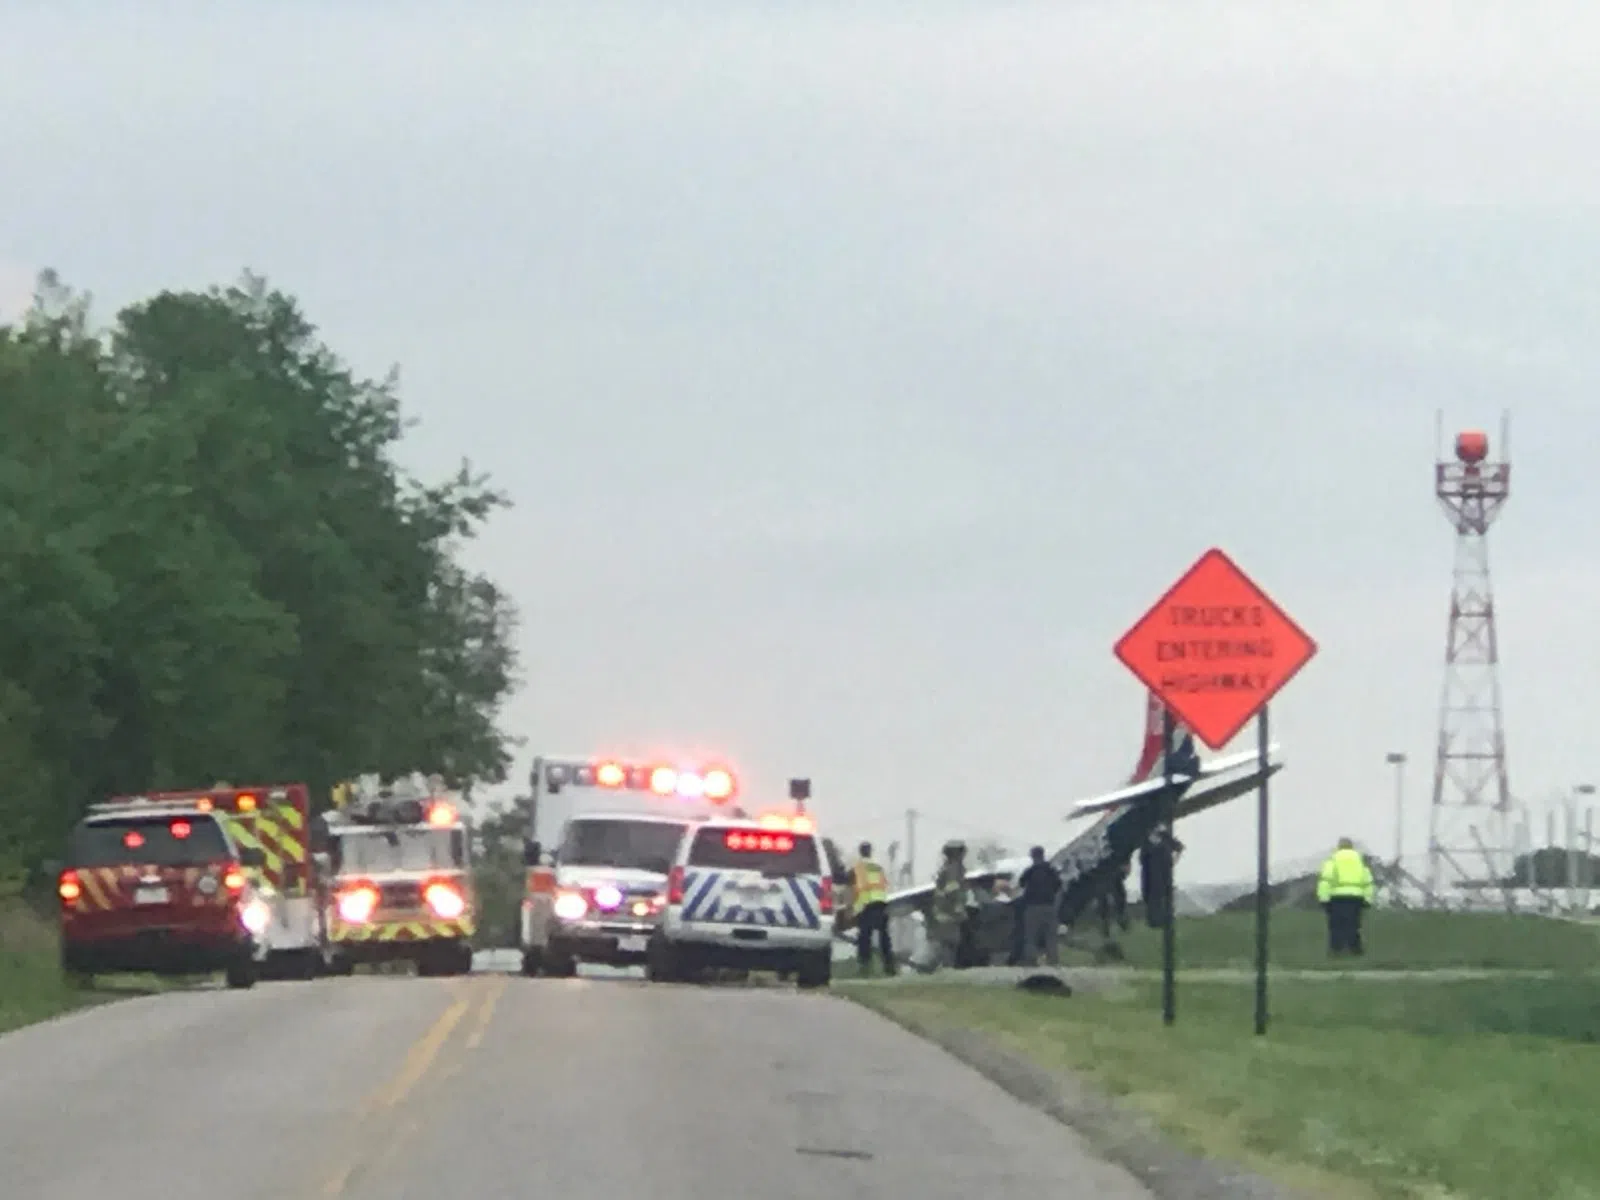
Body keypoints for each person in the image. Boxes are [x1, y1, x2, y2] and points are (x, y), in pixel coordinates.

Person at [1317, 837, 1375, 955]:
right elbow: (1368, 882)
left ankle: (1336, 949)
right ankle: (1355, 949)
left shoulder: (1333, 859)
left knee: (1336, 925)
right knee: (1354, 924)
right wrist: (1368, 899)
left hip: (1337, 897)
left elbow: (1326, 880)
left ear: (1339, 846)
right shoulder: (1359, 861)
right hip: (1356, 897)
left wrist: (1323, 898)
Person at [850, 841, 895, 974]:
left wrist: (854, 909)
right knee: (884, 937)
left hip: (867, 904)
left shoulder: (859, 867)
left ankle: (864, 967)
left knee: (864, 937)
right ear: (870, 851)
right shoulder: (877, 866)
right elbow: (884, 884)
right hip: (881, 903)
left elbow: (857, 888)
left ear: (860, 852)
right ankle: (889, 966)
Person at [1016, 845, 1063, 966]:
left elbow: (1021, 884)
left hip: (1033, 907)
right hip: (1049, 906)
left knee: (1031, 935)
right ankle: (1053, 961)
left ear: (1033, 856)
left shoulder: (1030, 871)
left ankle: (1031, 961)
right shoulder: (1051, 870)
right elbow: (1058, 886)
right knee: (1050, 936)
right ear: (1043, 855)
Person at [925, 841, 968, 970]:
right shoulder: (953, 870)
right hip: (948, 915)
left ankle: (940, 967)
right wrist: (959, 910)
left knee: (946, 944)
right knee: (949, 944)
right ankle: (944, 968)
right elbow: (953, 891)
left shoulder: (946, 869)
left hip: (943, 914)